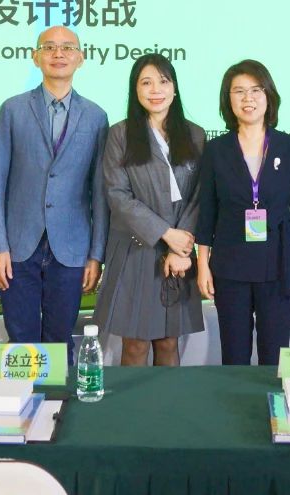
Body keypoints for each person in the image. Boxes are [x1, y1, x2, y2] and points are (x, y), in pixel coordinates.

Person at [0, 26, 109, 358]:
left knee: (60, 340)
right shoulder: (12, 110)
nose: (58, 54)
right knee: (21, 340)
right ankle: (24, 395)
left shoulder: (96, 117)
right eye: (49, 47)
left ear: (81, 58)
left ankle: (59, 394)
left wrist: (96, 254)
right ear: (35, 57)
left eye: (67, 48)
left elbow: (99, 193)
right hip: (17, 247)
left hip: (71, 247)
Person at [196, 59, 290, 365]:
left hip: (278, 262)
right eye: (239, 91)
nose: (248, 98)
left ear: (268, 95)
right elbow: (207, 211)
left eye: (256, 90)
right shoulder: (216, 150)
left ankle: (274, 398)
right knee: (234, 354)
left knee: (275, 355)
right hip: (230, 264)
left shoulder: (289, 146)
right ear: (228, 99)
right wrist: (203, 264)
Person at [93, 54, 206, 366]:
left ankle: (168, 400)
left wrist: (182, 245)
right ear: (136, 90)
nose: (156, 90)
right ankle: (132, 402)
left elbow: (200, 195)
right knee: (135, 344)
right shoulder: (120, 134)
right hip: (135, 249)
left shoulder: (195, 135)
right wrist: (166, 234)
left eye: (163, 81)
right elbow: (117, 195)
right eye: (146, 82)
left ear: (174, 88)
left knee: (169, 342)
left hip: (180, 252)